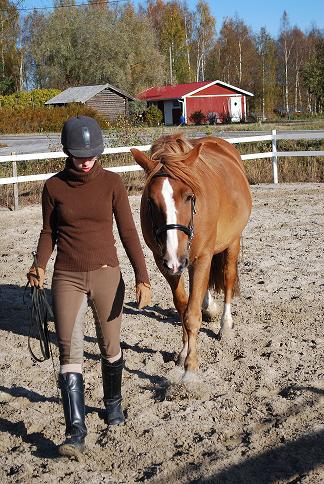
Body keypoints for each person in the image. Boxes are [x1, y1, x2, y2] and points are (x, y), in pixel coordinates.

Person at [27, 115, 151, 459]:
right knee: (69, 351)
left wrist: (142, 276)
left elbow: (128, 232)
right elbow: (48, 232)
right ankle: (75, 429)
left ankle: (113, 404)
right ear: (68, 152)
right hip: (66, 275)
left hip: (107, 273)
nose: (86, 161)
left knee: (111, 346)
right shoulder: (53, 187)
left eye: (92, 154)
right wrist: (39, 264)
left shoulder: (112, 184)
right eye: (80, 155)